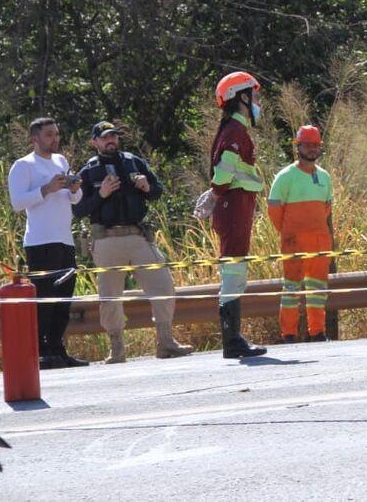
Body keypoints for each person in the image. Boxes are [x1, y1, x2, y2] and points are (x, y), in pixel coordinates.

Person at [73, 121, 194, 363]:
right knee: (109, 296)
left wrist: (147, 187)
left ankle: (166, 342)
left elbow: (158, 191)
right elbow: (78, 209)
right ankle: (117, 348)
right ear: (94, 142)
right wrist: (101, 194)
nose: (111, 141)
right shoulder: (87, 171)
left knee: (163, 286)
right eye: (105, 137)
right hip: (106, 240)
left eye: (114, 137)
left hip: (138, 236)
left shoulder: (134, 161)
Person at [7, 117, 89, 369]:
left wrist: (74, 188)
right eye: (49, 135)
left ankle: (57, 348)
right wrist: (46, 189)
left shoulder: (61, 161)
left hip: (64, 239)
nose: (55, 139)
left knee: (64, 299)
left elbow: (74, 199)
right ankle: (42, 351)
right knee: (45, 298)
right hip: (41, 242)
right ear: (35, 138)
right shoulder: (23, 166)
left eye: (56, 134)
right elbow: (17, 203)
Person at [206, 71, 267, 358]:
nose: (257, 102)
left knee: (236, 271)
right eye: (253, 96)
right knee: (233, 272)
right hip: (233, 207)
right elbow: (225, 170)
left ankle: (234, 339)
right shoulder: (235, 131)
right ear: (241, 97)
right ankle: (232, 342)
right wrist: (215, 194)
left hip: (236, 206)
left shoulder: (234, 129)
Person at [267, 125, 334, 343]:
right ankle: (289, 334)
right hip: (294, 241)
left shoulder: (325, 177)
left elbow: (327, 208)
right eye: (307, 145)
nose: (312, 149)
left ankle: (317, 332)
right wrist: (288, 233)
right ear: (298, 147)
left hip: (320, 241)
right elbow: (274, 209)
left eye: (315, 145)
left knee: (317, 289)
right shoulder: (285, 176)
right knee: (291, 288)